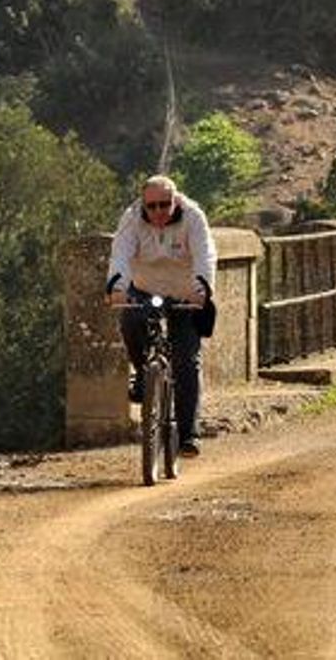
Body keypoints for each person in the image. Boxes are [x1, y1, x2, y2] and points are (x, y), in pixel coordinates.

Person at [105, 175, 217, 458]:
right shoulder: (132, 218)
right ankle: (144, 376)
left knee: (186, 361)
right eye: (151, 206)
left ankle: (189, 433)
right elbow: (120, 253)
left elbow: (206, 254)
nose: (157, 212)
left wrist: (202, 289)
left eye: (163, 205)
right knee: (129, 321)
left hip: (185, 292)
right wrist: (116, 289)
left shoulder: (193, 217)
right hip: (145, 288)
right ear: (144, 204)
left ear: (175, 201)